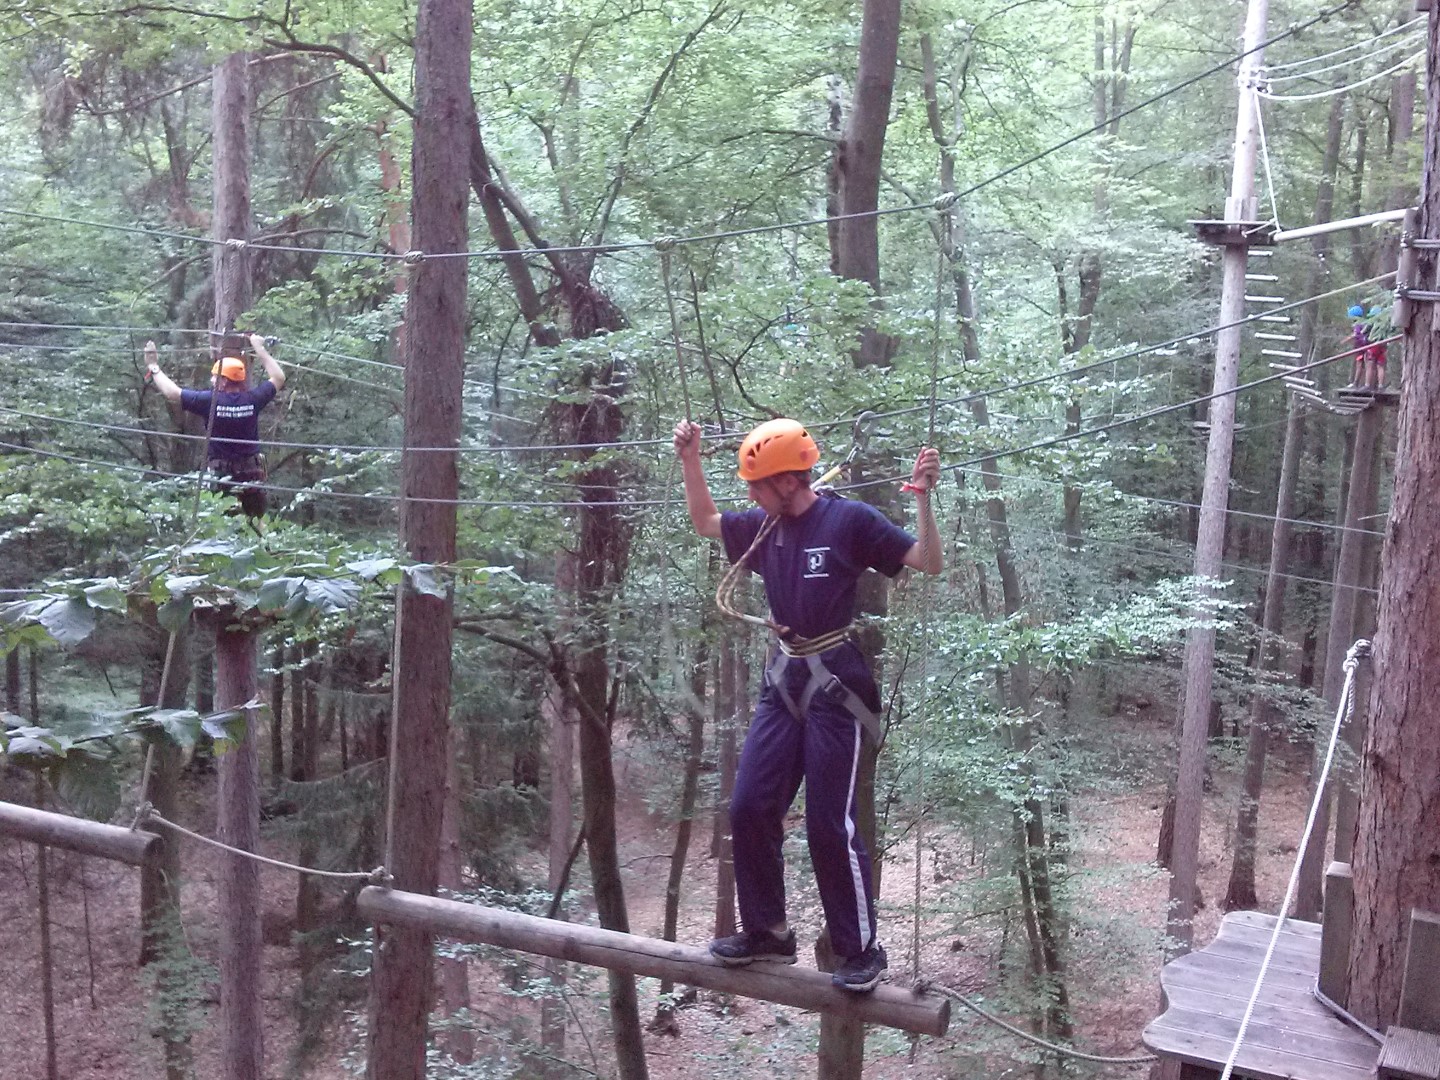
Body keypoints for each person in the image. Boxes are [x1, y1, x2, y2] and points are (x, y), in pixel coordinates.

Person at [673, 417, 941, 992]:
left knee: (827, 824)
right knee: (748, 807)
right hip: (784, 678)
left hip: (835, 683)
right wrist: (690, 459)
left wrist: (923, 500)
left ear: (790, 482)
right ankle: (768, 933)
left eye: (757, 485)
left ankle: (860, 949)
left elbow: (928, 561)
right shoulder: (765, 526)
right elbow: (704, 521)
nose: (750, 495)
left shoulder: (848, 521)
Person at [145, 333, 285, 516]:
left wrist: (153, 367)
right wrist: (259, 348)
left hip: (222, 475)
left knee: (223, 522)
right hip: (251, 473)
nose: (212, 380)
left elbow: (172, 393)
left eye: (214, 377)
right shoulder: (253, 399)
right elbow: (279, 377)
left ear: (224, 380)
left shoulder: (210, 401)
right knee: (255, 521)